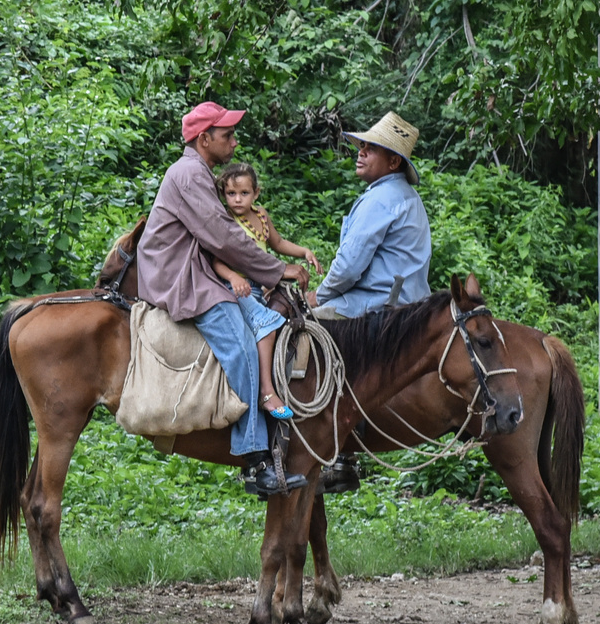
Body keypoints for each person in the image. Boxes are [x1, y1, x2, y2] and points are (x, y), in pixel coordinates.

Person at [136, 102, 311, 496]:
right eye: (227, 135)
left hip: (196, 268)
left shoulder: (199, 172)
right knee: (244, 348)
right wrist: (275, 268)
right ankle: (255, 461)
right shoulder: (189, 174)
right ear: (204, 139)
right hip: (182, 276)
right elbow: (222, 236)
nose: (233, 142)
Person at [306, 111, 432, 492]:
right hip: (399, 301)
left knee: (305, 330)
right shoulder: (400, 195)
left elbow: (349, 265)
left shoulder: (383, 199)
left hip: (376, 306)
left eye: (370, 148)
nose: (360, 153)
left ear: (393, 161)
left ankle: (336, 450)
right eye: (361, 146)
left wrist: (318, 294)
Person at [211, 162, 323, 302]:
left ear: (256, 193)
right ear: (223, 194)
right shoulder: (228, 221)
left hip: (258, 284)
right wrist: (233, 278)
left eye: (244, 193)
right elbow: (217, 262)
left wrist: (304, 251)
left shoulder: (260, 214)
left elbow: (278, 243)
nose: (238, 199)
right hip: (238, 286)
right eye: (231, 193)